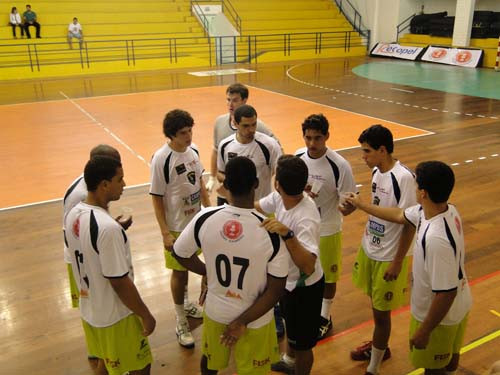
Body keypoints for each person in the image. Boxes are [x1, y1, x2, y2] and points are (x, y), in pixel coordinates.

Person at [346, 161, 472, 375]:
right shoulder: (444, 210)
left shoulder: (436, 239)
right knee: (450, 360)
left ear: (423, 192)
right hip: (461, 304)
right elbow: (398, 215)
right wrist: (362, 205)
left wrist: (425, 330)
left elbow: (446, 293)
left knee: (434, 369)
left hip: (440, 316)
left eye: (416, 186)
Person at [173, 156, 289, 375]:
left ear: (225, 186)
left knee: (210, 364)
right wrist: (241, 321)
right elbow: (276, 290)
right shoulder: (271, 231)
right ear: (256, 184)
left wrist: (207, 271)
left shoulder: (205, 218)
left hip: (216, 311)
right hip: (255, 320)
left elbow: (180, 253)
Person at [65, 156, 155, 375]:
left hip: (91, 312)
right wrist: (145, 314)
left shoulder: (73, 215)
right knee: (141, 367)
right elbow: (119, 281)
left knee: (104, 362)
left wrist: (113, 228)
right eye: (120, 179)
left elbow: (86, 247)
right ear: (104, 184)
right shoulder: (107, 229)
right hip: (116, 316)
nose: (124, 184)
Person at [349, 124, 417, 375]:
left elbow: (408, 221)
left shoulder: (404, 178)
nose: (363, 157)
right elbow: (380, 207)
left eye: (366, 152)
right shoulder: (377, 172)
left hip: (389, 256)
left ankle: (374, 366)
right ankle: (380, 345)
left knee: (382, 314)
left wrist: (398, 261)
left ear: (382, 149)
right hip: (371, 248)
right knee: (376, 308)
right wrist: (354, 208)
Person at [257, 155, 324, 375]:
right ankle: (288, 359)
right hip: (289, 281)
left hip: (305, 289)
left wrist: (287, 234)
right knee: (291, 329)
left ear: (277, 183)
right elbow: (256, 206)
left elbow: (308, 266)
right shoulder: (280, 197)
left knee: (304, 345)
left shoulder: (306, 217)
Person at [150, 109, 211, 348]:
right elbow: (156, 197)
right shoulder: (161, 159)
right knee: (179, 271)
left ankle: (186, 304)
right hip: (176, 227)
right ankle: (180, 319)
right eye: (183, 133)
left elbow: (201, 183)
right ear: (171, 135)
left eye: (190, 130)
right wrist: (165, 232)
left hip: (196, 222)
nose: (188, 136)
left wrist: (209, 211)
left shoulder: (193, 152)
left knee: (192, 265)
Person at [295, 114, 357, 340]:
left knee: (329, 278)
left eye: (317, 138)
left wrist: (346, 207)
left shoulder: (339, 165)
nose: (312, 144)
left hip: (328, 230)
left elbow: (349, 201)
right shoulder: (298, 158)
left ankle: (324, 316)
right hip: (303, 229)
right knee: (302, 271)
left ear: (327, 137)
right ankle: (305, 309)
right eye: (308, 138)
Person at [206, 82, 279, 205]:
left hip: (257, 201)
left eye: (234, 100)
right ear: (235, 124)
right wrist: (213, 177)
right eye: (228, 100)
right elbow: (216, 151)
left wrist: (262, 178)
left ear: (244, 100)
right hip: (228, 198)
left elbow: (277, 154)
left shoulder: (261, 131)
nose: (230, 104)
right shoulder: (220, 124)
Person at [217, 104, 281, 203]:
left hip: (262, 208)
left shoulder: (270, 145)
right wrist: (237, 182)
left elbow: (280, 176)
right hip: (235, 207)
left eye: (254, 124)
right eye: (246, 126)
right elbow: (220, 173)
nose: (251, 129)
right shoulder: (225, 145)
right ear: (235, 123)